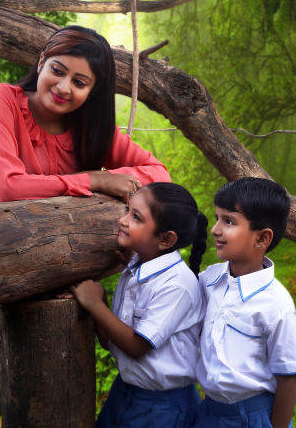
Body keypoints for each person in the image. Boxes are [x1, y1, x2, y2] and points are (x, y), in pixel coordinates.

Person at [0, 25, 170, 365]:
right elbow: (9, 187)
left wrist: (116, 175)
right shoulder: (0, 100)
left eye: (79, 82)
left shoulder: (90, 129)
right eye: (58, 70)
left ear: (92, 91)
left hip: (71, 276)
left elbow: (159, 173)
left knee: (67, 387)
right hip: (5, 268)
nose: (63, 87)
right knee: (25, 385)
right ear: (41, 61)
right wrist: (94, 180)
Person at [71, 182, 207, 428]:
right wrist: (99, 299)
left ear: (166, 239)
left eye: (136, 217)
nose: (123, 221)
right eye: (127, 210)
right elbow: (112, 341)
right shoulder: (134, 271)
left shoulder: (178, 284)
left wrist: (94, 305)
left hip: (163, 407)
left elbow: (136, 346)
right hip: (124, 393)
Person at [195, 177, 296, 428]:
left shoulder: (276, 303)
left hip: (253, 417)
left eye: (229, 221)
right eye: (217, 218)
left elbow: (288, 379)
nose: (215, 229)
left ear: (262, 238)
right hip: (209, 413)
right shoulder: (209, 280)